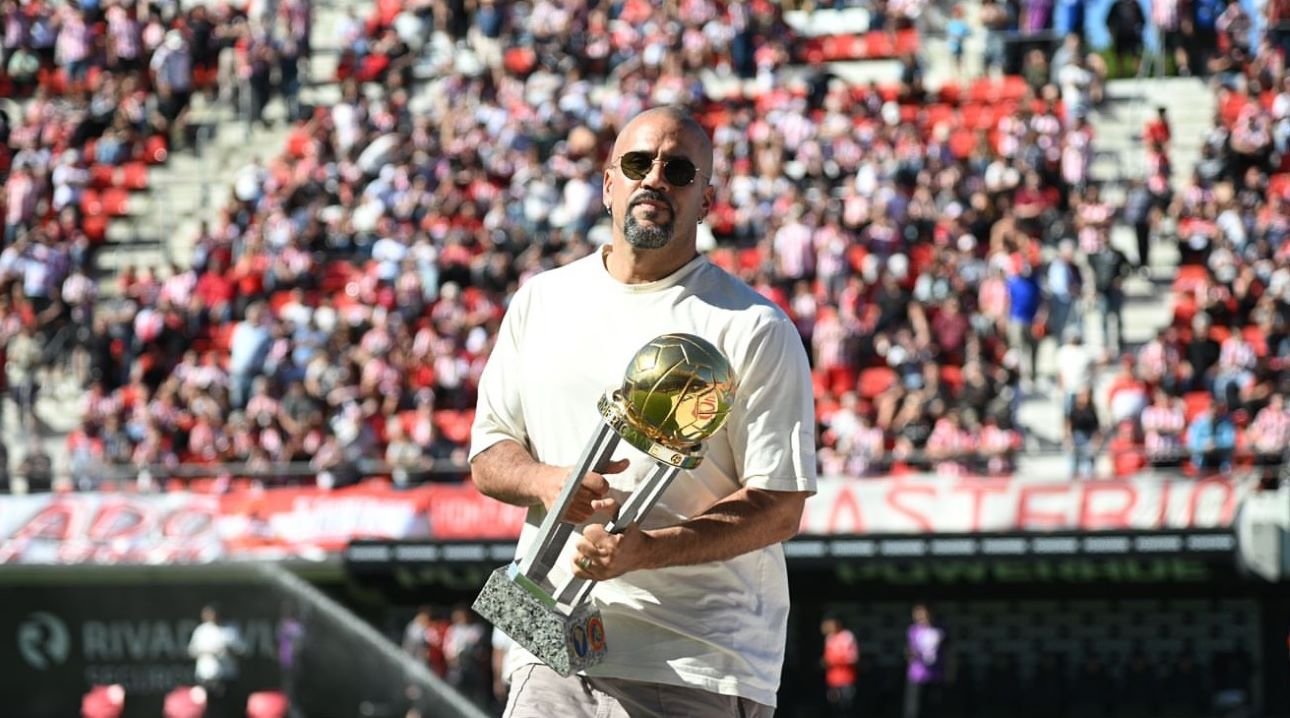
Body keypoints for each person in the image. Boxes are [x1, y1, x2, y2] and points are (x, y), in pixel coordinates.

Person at [470, 106, 816, 717]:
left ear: (706, 200)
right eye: (637, 164)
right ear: (609, 185)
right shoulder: (541, 301)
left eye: (678, 170)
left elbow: (779, 506)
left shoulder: (755, 327)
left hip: (694, 661)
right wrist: (549, 483)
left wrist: (646, 550)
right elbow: (489, 454)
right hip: (547, 651)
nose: (654, 178)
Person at [187, 605, 245, 718]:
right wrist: (207, 652)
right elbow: (192, 651)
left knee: (226, 707)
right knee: (207, 708)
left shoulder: (230, 630)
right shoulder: (201, 631)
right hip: (206, 676)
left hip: (226, 676)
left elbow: (242, 650)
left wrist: (228, 650)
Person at [904, 604, 946, 718]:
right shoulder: (913, 630)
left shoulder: (940, 630)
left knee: (934, 708)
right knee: (914, 710)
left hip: (935, 676)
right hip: (917, 676)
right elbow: (909, 650)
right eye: (917, 615)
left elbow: (948, 651)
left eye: (923, 614)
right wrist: (910, 655)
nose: (920, 618)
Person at [820, 615, 859, 717]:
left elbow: (853, 657)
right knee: (834, 708)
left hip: (846, 679)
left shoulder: (847, 636)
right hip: (832, 680)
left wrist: (834, 660)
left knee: (846, 707)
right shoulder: (829, 638)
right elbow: (827, 657)